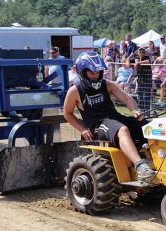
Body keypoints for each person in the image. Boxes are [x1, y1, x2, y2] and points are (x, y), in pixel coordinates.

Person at [63, 51, 155, 183]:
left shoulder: (107, 84)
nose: (96, 75)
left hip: (115, 119)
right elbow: (67, 113)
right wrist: (82, 129)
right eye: (92, 72)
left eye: (98, 72)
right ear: (83, 72)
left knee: (150, 126)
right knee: (122, 130)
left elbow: (126, 98)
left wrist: (135, 110)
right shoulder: (75, 90)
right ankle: (141, 167)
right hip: (98, 126)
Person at [132, 48, 152, 113]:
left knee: (146, 97)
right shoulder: (136, 58)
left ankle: (147, 111)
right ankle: (141, 110)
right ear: (138, 53)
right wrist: (131, 55)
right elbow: (127, 61)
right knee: (140, 96)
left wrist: (138, 63)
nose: (141, 53)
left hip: (147, 80)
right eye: (140, 52)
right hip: (140, 80)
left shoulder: (147, 57)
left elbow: (148, 62)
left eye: (143, 52)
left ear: (145, 53)